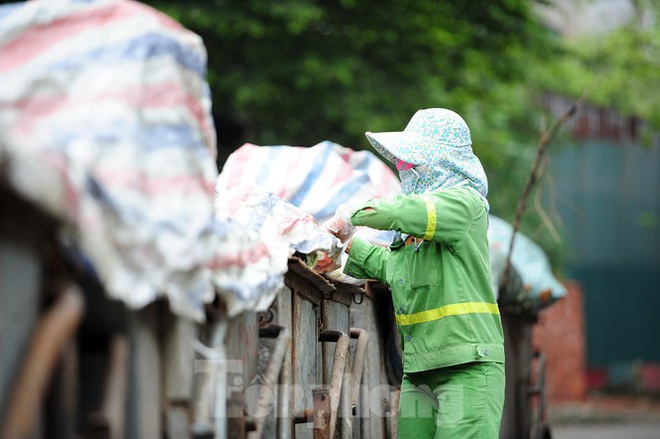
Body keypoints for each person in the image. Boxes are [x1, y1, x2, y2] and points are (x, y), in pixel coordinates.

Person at [325, 108, 505, 438]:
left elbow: (407, 210)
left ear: (441, 161)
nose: (405, 170)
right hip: (420, 370)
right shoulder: (413, 235)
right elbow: (395, 270)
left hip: (468, 366)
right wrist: (347, 244)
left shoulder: (465, 205)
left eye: (414, 162)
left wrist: (354, 213)